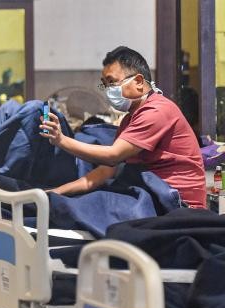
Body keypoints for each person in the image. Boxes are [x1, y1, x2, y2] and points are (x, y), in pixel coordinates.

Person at [40, 46, 206, 209]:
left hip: (177, 204)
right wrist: (55, 192)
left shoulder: (157, 110)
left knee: (89, 208)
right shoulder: (130, 119)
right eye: (105, 85)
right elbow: (105, 172)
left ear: (139, 82)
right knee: (72, 204)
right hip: (151, 195)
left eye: (112, 82)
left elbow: (112, 156)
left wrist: (61, 140)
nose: (108, 91)